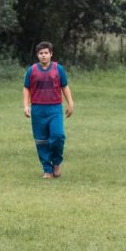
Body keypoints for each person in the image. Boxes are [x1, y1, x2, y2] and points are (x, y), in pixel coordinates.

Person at [22, 41, 74, 179]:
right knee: (41, 140)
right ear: (37, 55)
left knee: (58, 136)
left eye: (46, 53)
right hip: (37, 109)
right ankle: (47, 169)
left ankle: (56, 162)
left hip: (55, 108)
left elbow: (65, 86)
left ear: (51, 54)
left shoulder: (58, 69)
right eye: (41, 53)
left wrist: (70, 103)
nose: (43, 56)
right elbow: (26, 87)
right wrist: (26, 105)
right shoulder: (31, 70)